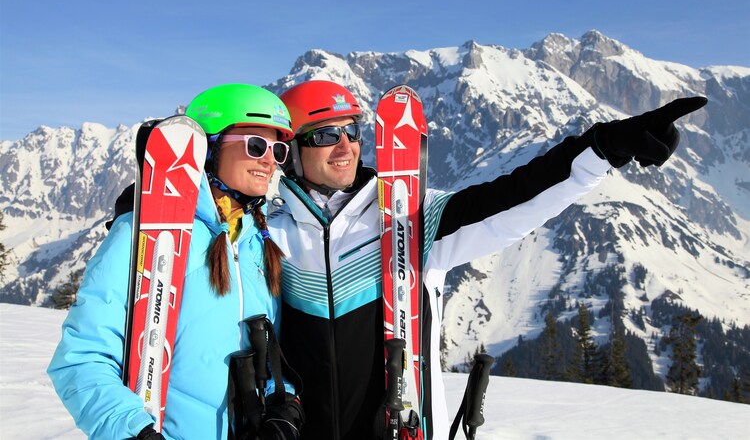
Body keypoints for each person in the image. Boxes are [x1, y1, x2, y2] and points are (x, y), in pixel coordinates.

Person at [266, 79, 706, 440]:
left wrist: (602, 147)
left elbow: (512, 198)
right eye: (325, 136)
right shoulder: (270, 235)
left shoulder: (409, 218)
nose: (345, 146)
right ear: (292, 152)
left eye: (352, 132)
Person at [47, 84, 304, 440]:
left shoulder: (257, 243)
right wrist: (135, 433)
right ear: (209, 149)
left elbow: (269, 351)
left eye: (278, 150)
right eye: (256, 146)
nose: (269, 161)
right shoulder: (144, 235)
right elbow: (81, 358)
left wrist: (283, 403)